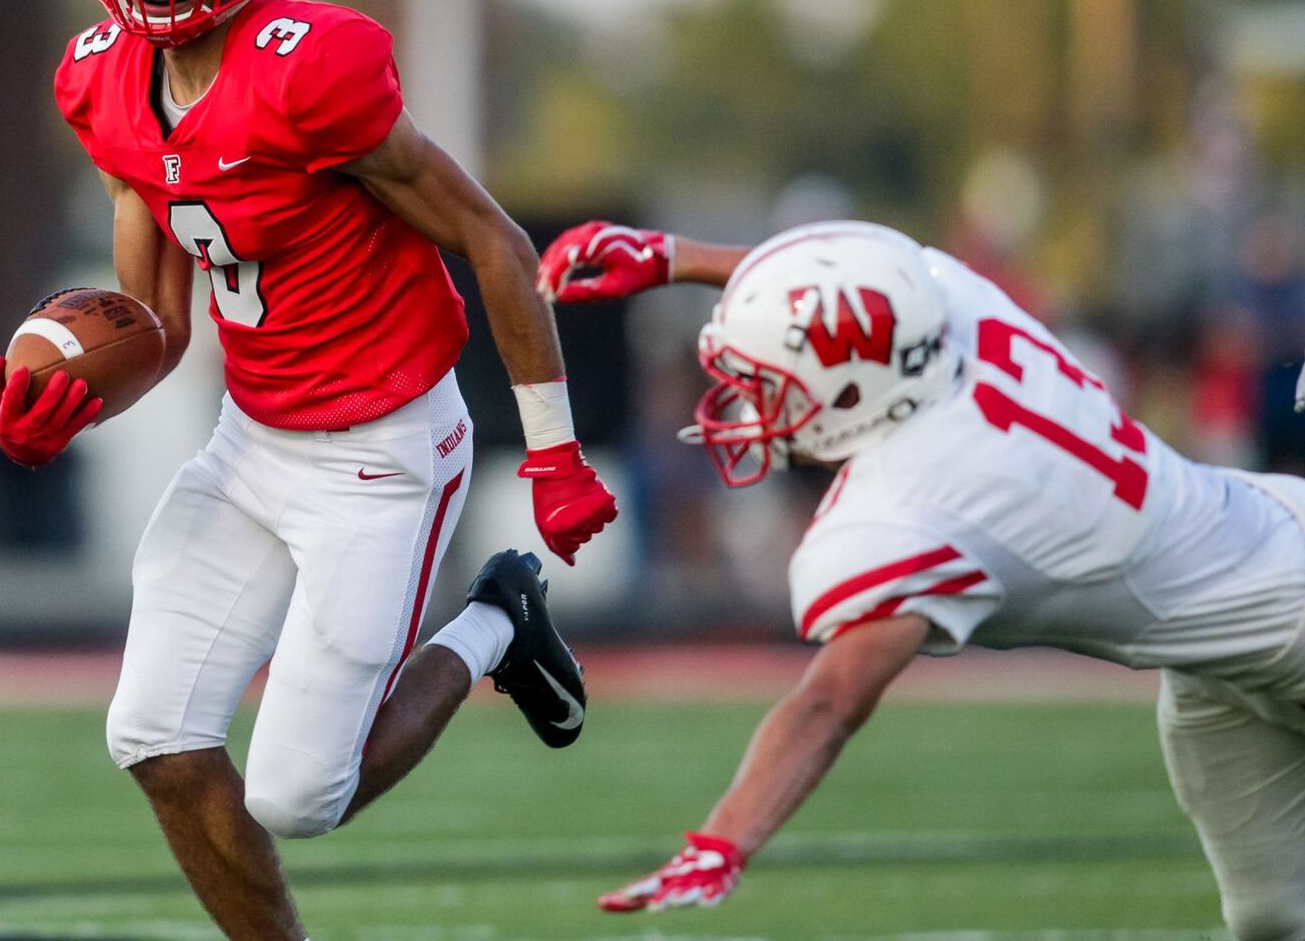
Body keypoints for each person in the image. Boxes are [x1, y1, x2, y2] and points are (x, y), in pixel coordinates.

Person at [0, 0, 616, 941]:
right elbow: (158, 320)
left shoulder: (310, 68)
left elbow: (493, 241)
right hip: (252, 441)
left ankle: (495, 622)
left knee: (295, 793)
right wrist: (69, 397)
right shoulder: (101, 80)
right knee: (156, 740)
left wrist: (556, 451)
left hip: (382, 450)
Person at [538, 218, 1305, 939]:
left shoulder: (925, 501)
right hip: (1226, 633)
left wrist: (723, 842)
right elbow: (838, 296)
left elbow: (830, 702)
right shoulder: (948, 309)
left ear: (849, 394)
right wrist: (673, 259)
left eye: (770, 381)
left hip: (1286, 617)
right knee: (1273, 917)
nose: (750, 400)